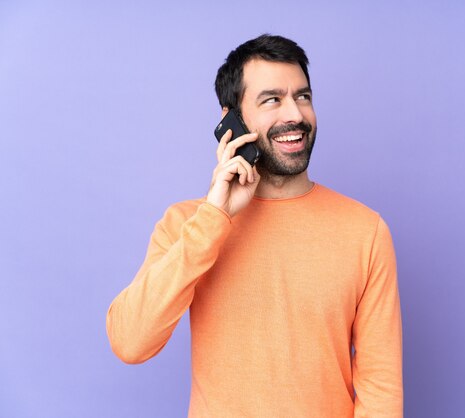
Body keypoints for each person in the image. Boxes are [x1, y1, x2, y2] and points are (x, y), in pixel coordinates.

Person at [106, 34, 403, 417]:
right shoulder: (188, 224)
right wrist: (216, 217)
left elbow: (381, 389)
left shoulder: (366, 231)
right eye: (272, 100)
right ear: (233, 119)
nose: (294, 114)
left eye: (303, 96)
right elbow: (130, 342)